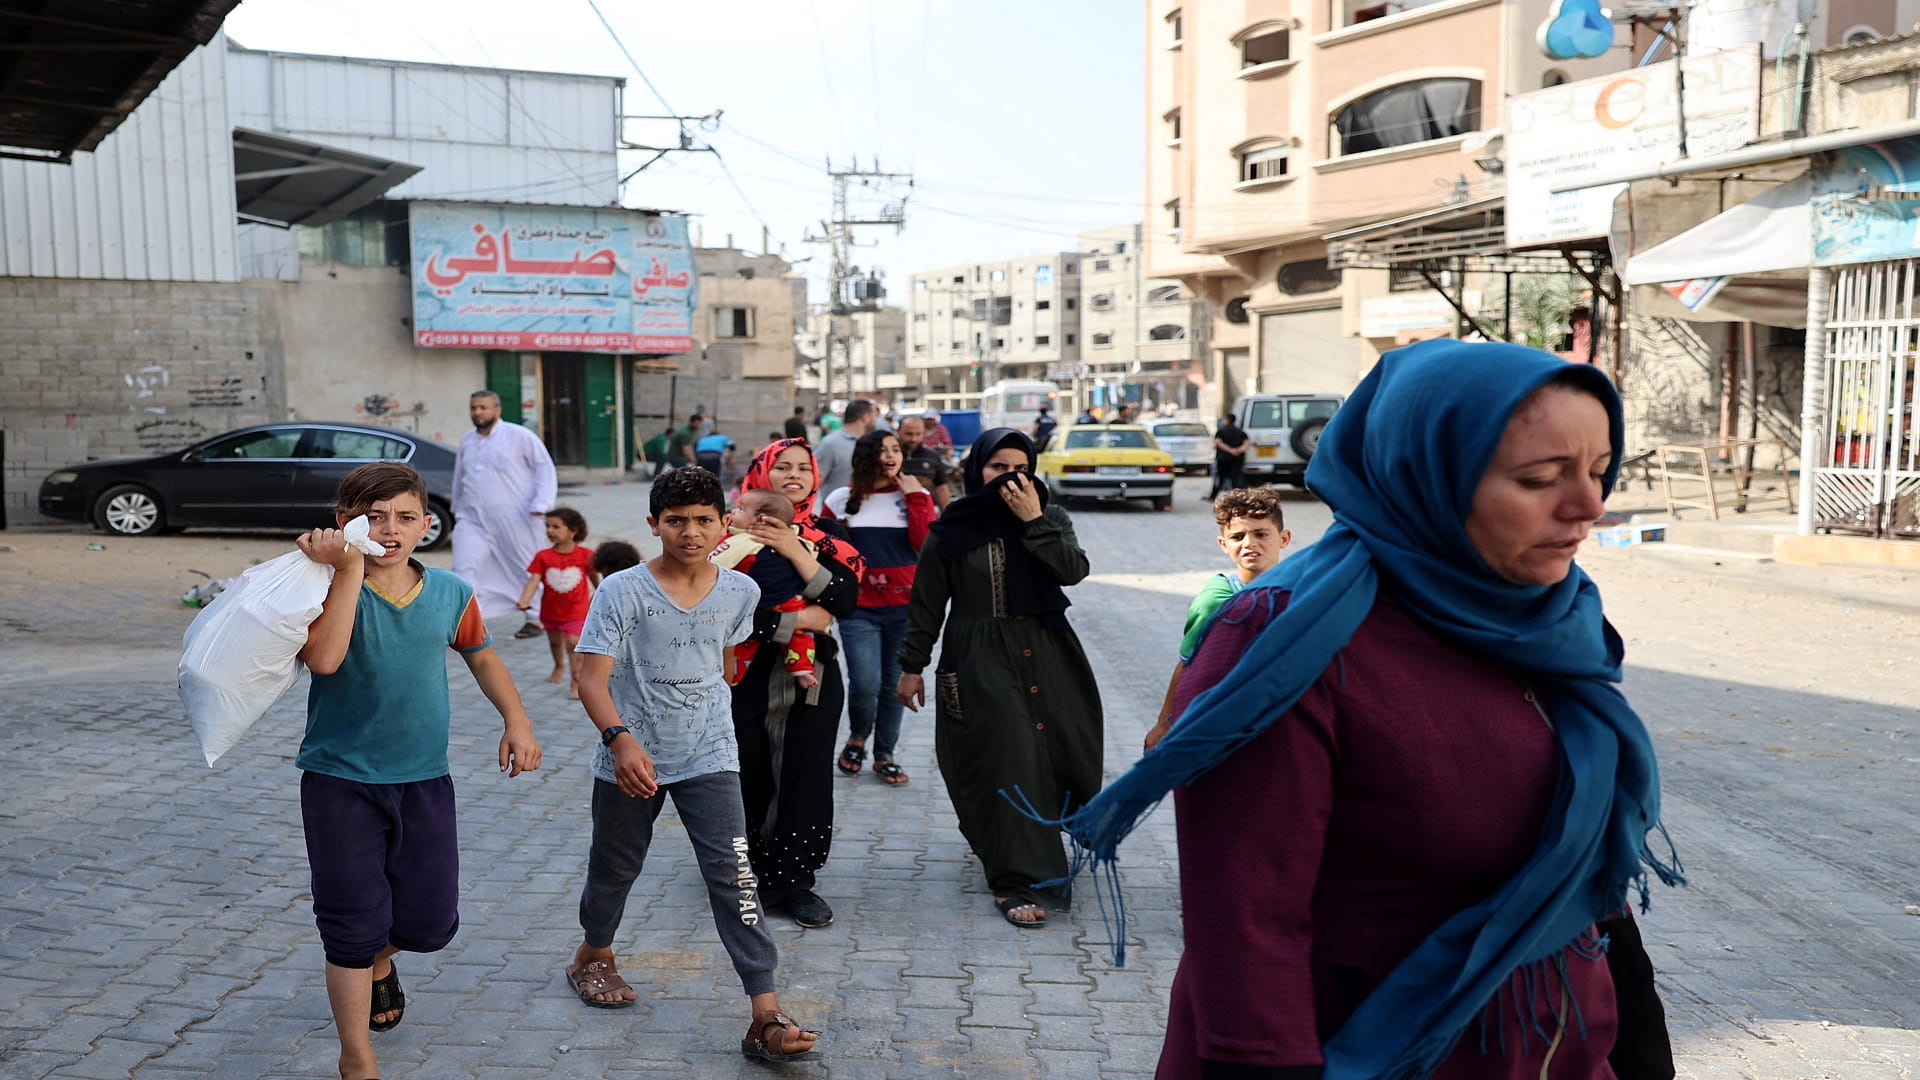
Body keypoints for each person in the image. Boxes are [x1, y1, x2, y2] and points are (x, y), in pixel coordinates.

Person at [1054, 339, 1680, 1078]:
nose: (1589, 506)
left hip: (1555, 1041)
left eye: (1600, 471)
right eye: (1540, 478)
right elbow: (1247, 921)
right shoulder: (1289, 637)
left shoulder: (1546, 619)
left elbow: (1580, 864)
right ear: (1427, 474)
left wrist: (1640, 1044)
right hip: (1370, 1049)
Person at [292, 462, 542, 1080]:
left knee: (430, 922)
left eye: (405, 517)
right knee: (350, 923)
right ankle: (356, 1058)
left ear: (427, 524)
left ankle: (381, 960)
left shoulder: (451, 592)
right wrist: (345, 569)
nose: (390, 529)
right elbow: (324, 659)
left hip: (425, 780)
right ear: (344, 523)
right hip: (339, 783)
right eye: (373, 518)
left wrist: (517, 721)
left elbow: (483, 658)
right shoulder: (319, 585)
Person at [563, 466, 820, 1064]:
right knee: (615, 866)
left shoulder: (740, 591)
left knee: (735, 874)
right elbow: (590, 678)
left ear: (724, 524)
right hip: (631, 755)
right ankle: (593, 954)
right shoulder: (621, 590)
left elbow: (725, 661)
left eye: (704, 520)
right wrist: (621, 740)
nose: (690, 531)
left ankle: (765, 1011)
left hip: (710, 753)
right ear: (653, 524)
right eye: (676, 520)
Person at [896, 429, 1102, 929]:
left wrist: (1033, 521)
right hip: (978, 658)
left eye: (1021, 468)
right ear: (976, 470)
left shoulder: (1051, 516)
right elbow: (927, 603)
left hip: (1050, 654)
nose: (1011, 478)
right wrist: (911, 666)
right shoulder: (952, 528)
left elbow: (1072, 571)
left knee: (1066, 750)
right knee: (1007, 759)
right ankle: (1017, 878)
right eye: (997, 467)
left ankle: (1043, 837)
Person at [728, 439, 866, 928]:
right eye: (781, 466)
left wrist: (790, 546)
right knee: (745, 772)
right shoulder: (727, 530)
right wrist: (796, 621)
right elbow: (714, 604)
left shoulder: (827, 534)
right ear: (759, 473)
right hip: (741, 672)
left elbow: (842, 604)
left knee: (805, 776)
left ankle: (794, 881)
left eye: (803, 468)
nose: (793, 475)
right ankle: (744, 872)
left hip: (812, 677)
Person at [822, 429, 937, 787]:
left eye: (896, 450)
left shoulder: (917, 496)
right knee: (865, 682)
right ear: (865, 456)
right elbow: (827, 552)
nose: (890, 456)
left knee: (892, 686)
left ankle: (884, 754)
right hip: (859, 608)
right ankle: (858, 736)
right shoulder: (840, 499)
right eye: (882, 450)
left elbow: (925, 545)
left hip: (905, 610)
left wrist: (915, 497)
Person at [1143, 487, 1290, 751]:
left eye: (1261, 534)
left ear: (1284, 538)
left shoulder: (1301, 592)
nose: (1249, 543)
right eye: (1237, 536)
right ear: (1223, 544)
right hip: (1224, 723)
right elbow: (1188, 663)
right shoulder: (1216, 600)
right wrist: (1164, 724)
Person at [452, 390, 558, 639]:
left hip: (517, 517)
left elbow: (544, 469)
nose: (478, 412)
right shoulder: (468, 440)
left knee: (526, 567)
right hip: (472, 519)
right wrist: (457, 508)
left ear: (497, 410)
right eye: (474, 407)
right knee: (464, 566)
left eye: (483, 407)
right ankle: (467, 621)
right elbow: (460, 476)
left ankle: (535, 618)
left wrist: (541, 503)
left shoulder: (519, 436)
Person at [712, 490, 823, 694]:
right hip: (790, 599)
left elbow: (714, 563)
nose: (734, 512)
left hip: (756, 604)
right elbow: (812, 552)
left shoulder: (742, 540)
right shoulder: (796, 537)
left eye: (740, 509)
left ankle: (733, 677)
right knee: (800, 633)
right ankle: (803, 668)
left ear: (761, 519)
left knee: (743, 641)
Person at [515, 507, 597, 700]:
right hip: (550, 611)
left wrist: (602, 597)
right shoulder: (543, 556)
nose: (550, 531)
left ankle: (576, 682)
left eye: (556, 527)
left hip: (577, 612)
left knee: (573, 645)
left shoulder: (586, 555)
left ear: (573, 530)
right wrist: (524, 599)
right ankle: (559, 665)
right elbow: (534, 580)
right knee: (555, 644)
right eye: (547, 526)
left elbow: (595, 580)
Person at [813, 399, 875, 506]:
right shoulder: (830, 443)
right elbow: (815, 481)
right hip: (837, 511)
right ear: (865, 417)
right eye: (875, 416)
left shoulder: (870, 443)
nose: (877, 420)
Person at [895, 414, 952, 511]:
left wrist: (947, 515)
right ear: (898, 431)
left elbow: (941, 488)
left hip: (925, 511)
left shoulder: (932, 456)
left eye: (918, 434)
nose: (913, 439)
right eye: (908, 434)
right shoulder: (889, 456)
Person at [1208, 412, 1250, 501]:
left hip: (1223, 459)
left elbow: (1218, 443)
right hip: (1237, 459)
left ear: (1226, 420)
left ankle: (1213, 496)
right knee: (1236, 479)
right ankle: (1238, 498)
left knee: (1220, 478)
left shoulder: (1221, 431)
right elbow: (1247, 444)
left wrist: (1230, 450)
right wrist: (1238, 450)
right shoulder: (1241, 432)